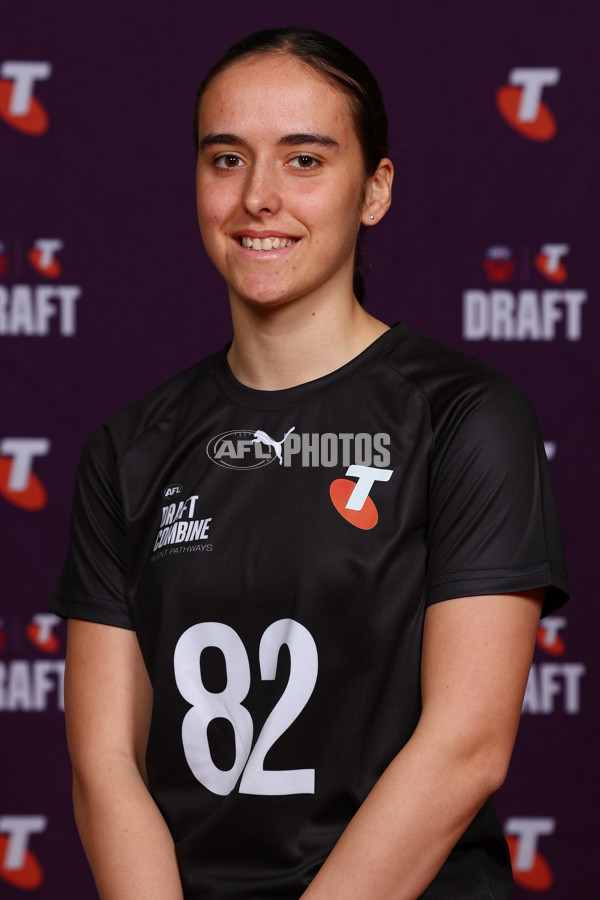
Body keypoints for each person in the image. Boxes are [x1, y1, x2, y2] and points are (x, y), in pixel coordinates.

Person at [51, 26, 569, 900]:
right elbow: (105, 765)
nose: (259, 197)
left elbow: (465, 749)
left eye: (304, 160)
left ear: (374, 190)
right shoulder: (129, 446)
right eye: (226, 159)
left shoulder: (465, 416)